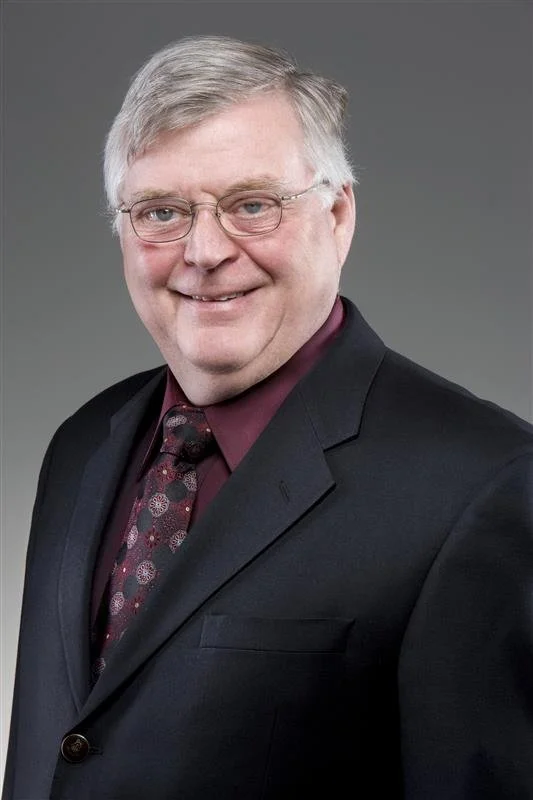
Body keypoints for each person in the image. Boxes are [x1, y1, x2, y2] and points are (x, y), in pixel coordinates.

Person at [3, 34, 533, 800]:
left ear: (338, 214)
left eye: (252, 205)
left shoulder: (481, 484)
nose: (204, 250)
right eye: (161, 211)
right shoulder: (84, 441)